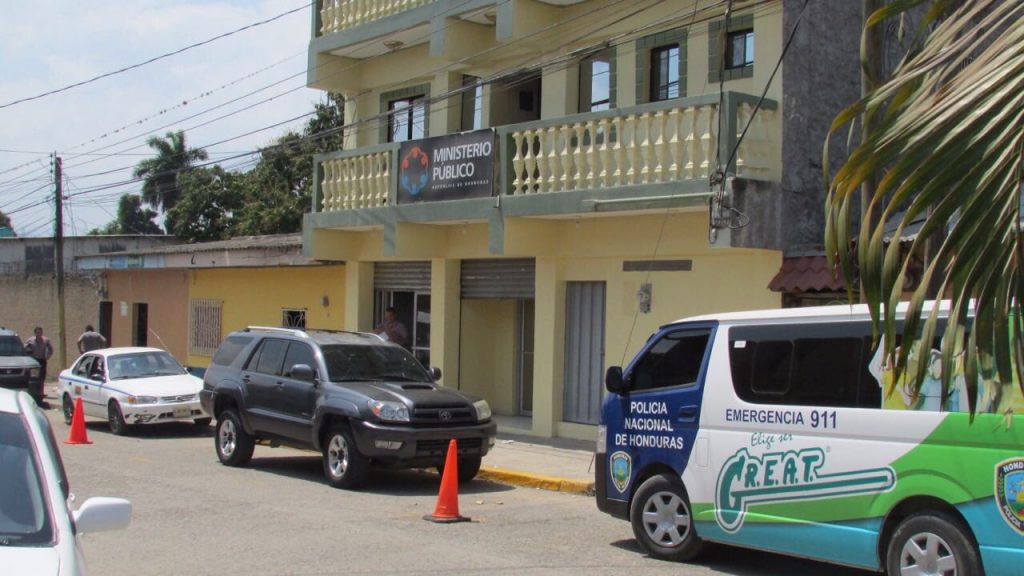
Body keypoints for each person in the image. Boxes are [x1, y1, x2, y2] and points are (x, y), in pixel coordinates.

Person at [23, 327, 53, 406]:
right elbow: (24, 348)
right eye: (37, 332)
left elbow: (51, 349)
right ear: (35, 333)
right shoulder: (30, 341)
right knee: (35, 378)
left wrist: (47, 356)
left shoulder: (46, 340)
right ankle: (34, 393)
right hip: (34, 361)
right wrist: (28, 356)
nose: (39, 334)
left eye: (40, 332)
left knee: (42, 377)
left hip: (42, 360)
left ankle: (41, 392)